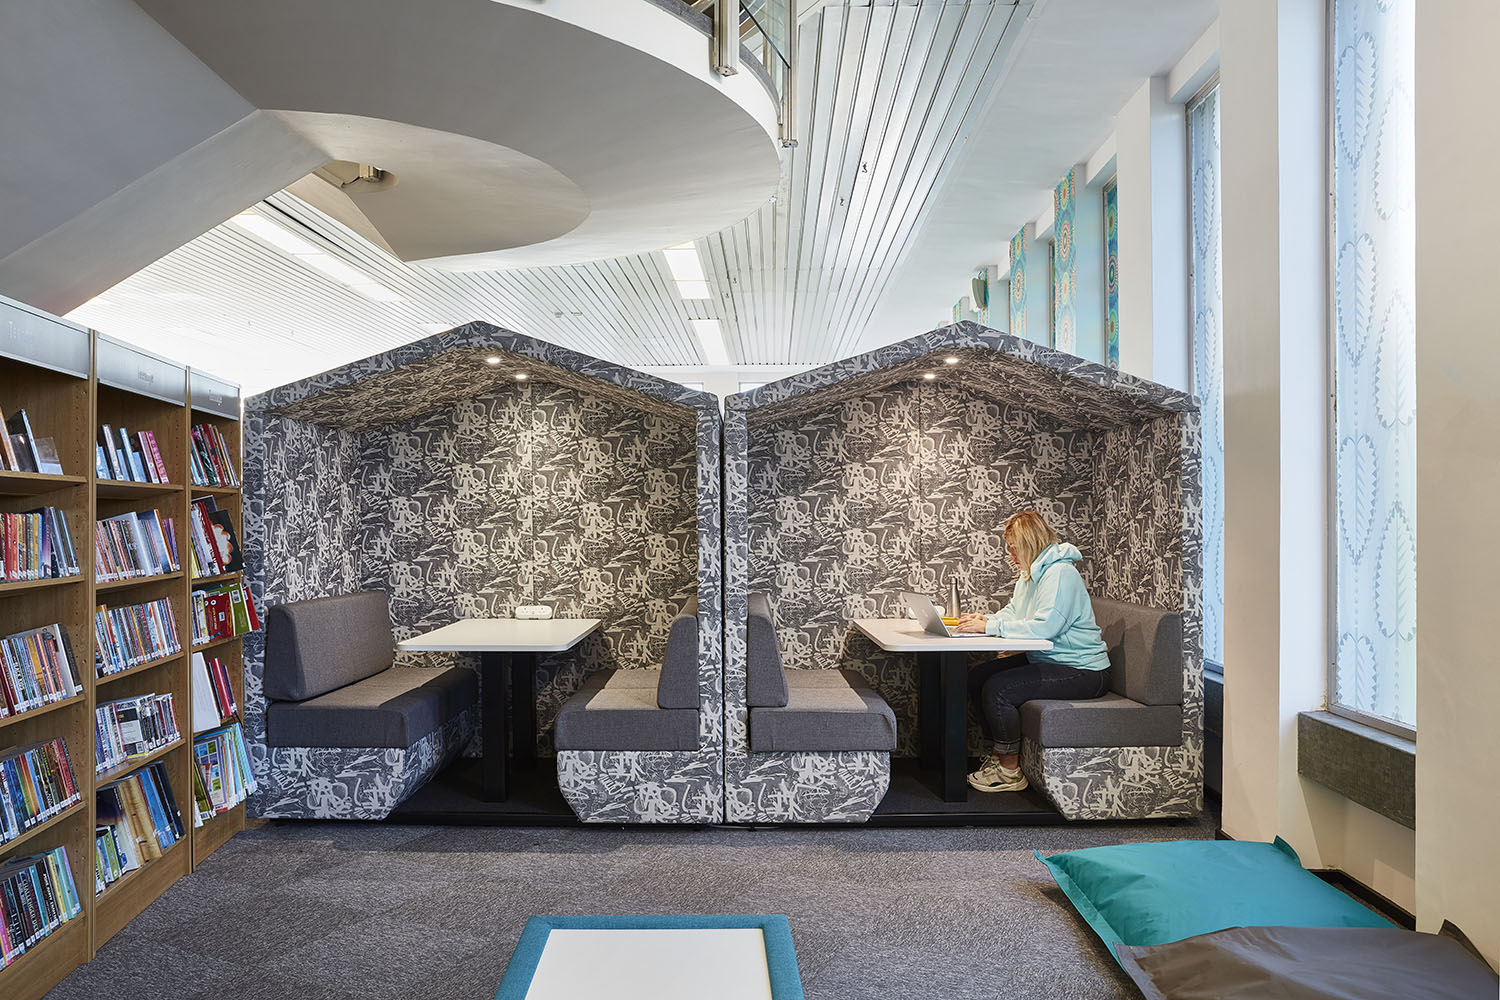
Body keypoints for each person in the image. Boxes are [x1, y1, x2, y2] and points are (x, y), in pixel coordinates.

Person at [955, 509, 1110, 793]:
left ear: (1030, 544)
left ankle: (1009, 771)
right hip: (1050, 660)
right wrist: (987, 620)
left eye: (1014, 548)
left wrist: (991, 627)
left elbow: (1046, 627)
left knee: (998, 689)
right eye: (1009, 549)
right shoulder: (1030, 575)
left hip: (1083, 670)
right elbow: (1015, 611)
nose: (1010, 555)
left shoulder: (1060, 574)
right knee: (977, 677)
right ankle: (997, 756)